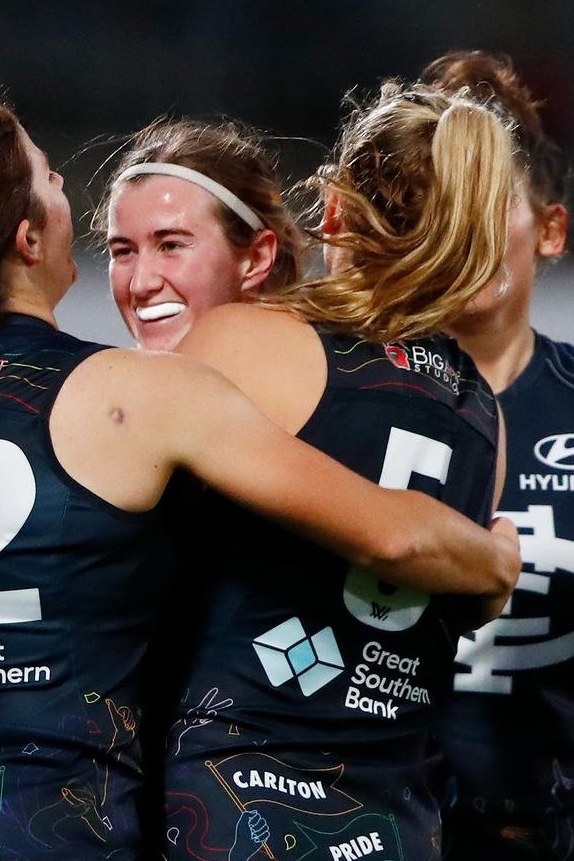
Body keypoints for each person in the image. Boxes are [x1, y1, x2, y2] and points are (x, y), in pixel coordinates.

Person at [0, 102, 519, 861]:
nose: (139, 280)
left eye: (173, 244)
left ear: (267, 249)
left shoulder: (182, 377)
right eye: (123, 249)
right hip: (395, 821)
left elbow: (388, 536)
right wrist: (498, 562)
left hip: (217, 811)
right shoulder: (482, 412)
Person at [162, 83, 521, 860]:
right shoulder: (484, 414)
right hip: (394, 814)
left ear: (331, 208)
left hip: (237, 791)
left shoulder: (249, 343)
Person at [420, 50, 573, 861]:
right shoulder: (341, 393)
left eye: (492, 203)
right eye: (447, 205)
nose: (466, 230)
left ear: (551, 230)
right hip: (372, 828)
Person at [94, 117, 300, 352]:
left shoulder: (320, 383)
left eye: (171, 246)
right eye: (123, 251)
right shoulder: (96, 385)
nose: (140, 285)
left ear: (257, 258)